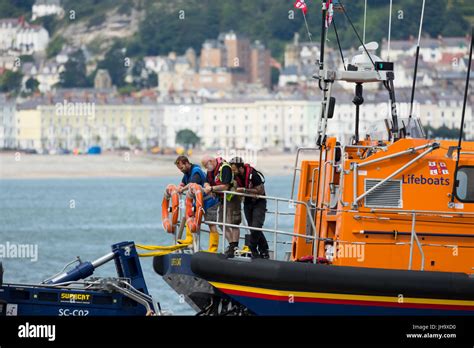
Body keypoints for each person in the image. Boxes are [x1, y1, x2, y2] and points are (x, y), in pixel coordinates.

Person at [174, 155, 220, 252]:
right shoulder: (186, 172)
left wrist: (182, 189)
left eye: (181, 167)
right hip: (199, 201)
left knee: (211, 224)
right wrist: (179, 187)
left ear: (187, 163)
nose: (181, 170)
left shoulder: (196, 171)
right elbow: (183, 183)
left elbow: (192, 185)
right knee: (190, 216)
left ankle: (213, 249)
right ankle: (189, 239)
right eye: (179, 169)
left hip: (209, 201)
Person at [201, 155, 241, 258]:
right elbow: (206, 181)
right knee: (221, 223)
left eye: (206, 165)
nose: (206, 168)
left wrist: (211, 189)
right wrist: (207, 186)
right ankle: (231, 245)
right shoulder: (211, 170)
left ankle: (234, 246)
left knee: (233, 222)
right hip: (222, 199)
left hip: (232, 198)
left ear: (211, 161)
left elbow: (225, 186)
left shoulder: (225, 168)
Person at [230, 157, 269, 259]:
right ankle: (262, 251)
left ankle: (252, 246)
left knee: (256, 226)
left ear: (241, 168)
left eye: (234, 169)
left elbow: (260, 191)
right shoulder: (236, 177)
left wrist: (244, 190)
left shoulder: (254, 175)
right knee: (252, 228)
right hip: (247, 203)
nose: (233, 171)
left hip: (259, 202)